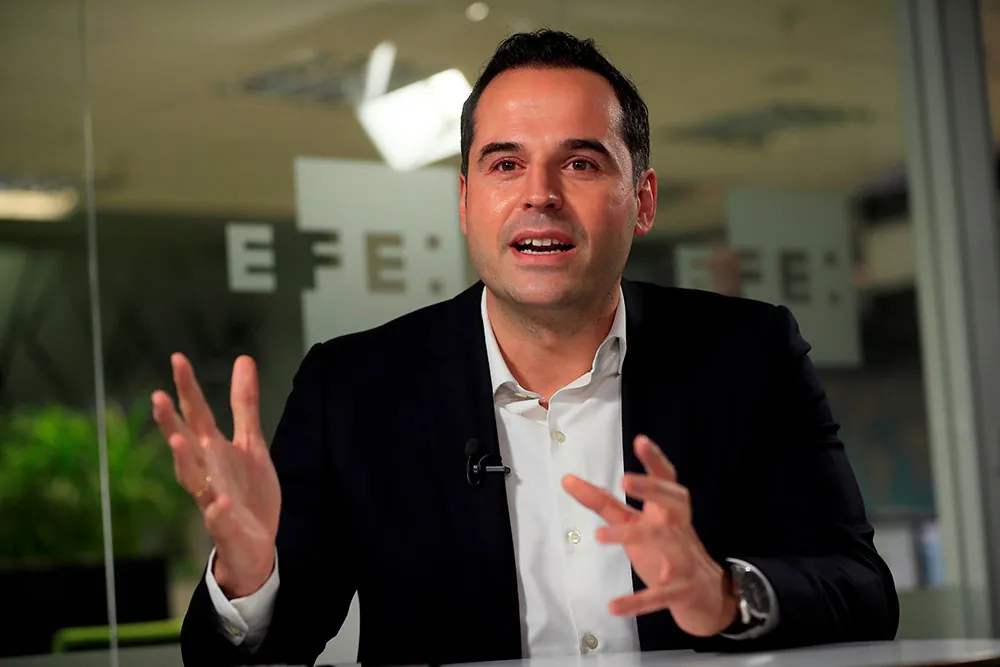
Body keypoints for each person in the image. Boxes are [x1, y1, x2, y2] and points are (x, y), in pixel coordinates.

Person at [153, 30, 899, 667]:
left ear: (643, 200)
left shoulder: (749, 354)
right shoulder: (353, 389)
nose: (539, 193)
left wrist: (726, 594)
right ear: (464, 201)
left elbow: (863, 592)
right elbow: (265, 650)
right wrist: (248, 577)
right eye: (505, 164)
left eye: (580, 163)